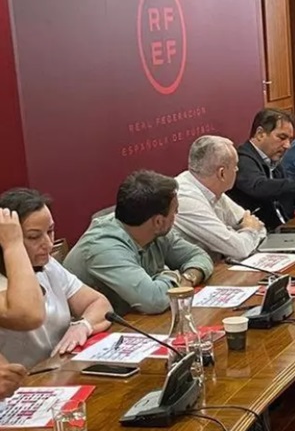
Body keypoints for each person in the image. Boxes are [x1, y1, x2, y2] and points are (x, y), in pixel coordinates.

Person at [65, 170, 214, 315]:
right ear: (158, 222)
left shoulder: (155, 232)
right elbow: (154, 300)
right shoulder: (104, 247)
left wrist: (188, 278)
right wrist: (172, 275)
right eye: (174, 211)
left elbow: (199, 256)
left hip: (135, 321)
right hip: (95, 328)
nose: (176, 215)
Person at [0, 189, 112, 367]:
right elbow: (29, 315)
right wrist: (13, 245)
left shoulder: (48, 264)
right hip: (28, 381)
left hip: (62, 371)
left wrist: (83, 326)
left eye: (50, 231)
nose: (48, 244)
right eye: (34, 237)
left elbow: (99, 304)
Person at [174, 136, 267, 260]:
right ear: (222, 173)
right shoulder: (185, 199)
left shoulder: (213, 190)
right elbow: (239, 250)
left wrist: (246, 231)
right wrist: (250, 229)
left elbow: (259, 227)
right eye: (235, 166)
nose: (237, 170)